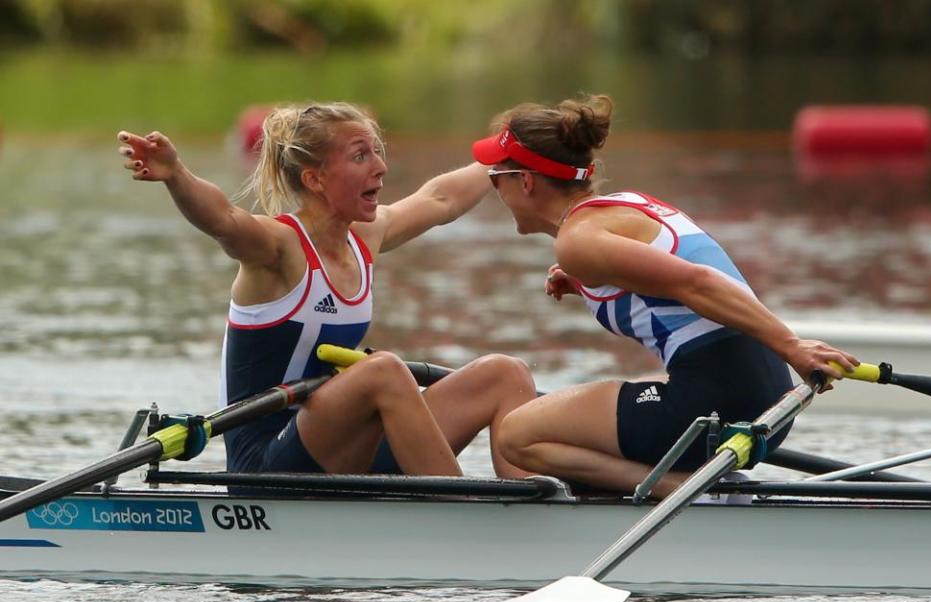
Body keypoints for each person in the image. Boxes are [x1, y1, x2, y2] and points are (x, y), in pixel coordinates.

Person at [117, 102, 537, 479]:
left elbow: (440, 199)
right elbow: (224, 219)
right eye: (360, 155)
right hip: (268, 463)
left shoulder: (365, 237)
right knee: (384, 370)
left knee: (504, 374)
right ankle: (463, 516)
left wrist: (506, 155)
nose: (380, 167)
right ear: (315, 179)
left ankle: (534, 516)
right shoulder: (277, 248)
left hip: (347, 446)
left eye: (377, 152)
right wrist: (177, 175)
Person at [471, 94, 860, 496]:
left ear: (526, 181)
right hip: (767, 397)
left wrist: (793, 345)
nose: (494, 187)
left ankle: (682, 489)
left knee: (516, 436)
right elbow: (678, 285)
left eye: (496, 176)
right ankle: (685, 482)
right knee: (609, 393)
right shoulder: (631, 206)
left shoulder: (578, 241)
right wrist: (588, 283)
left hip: (717, 405)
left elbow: (697, 282)